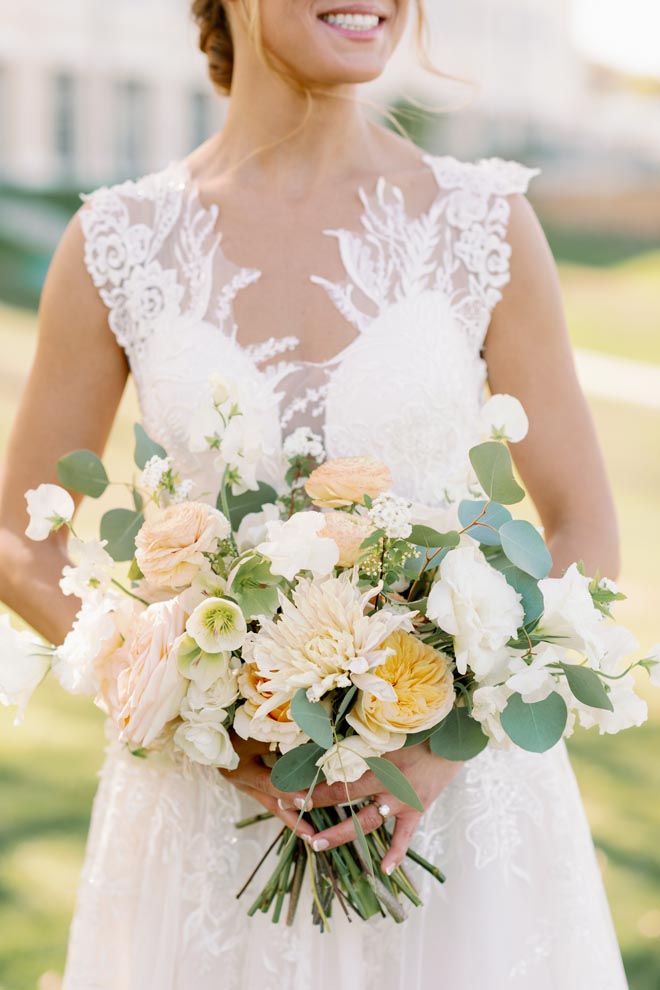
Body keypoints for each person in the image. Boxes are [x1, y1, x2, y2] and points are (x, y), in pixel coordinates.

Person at [0, 1, 630, 987]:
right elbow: (18, 536)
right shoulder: (118, 241)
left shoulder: (482, 224)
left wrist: (450, 736)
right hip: (211, 816)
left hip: (458, 820)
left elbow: (584, 521)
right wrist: (183, 701)